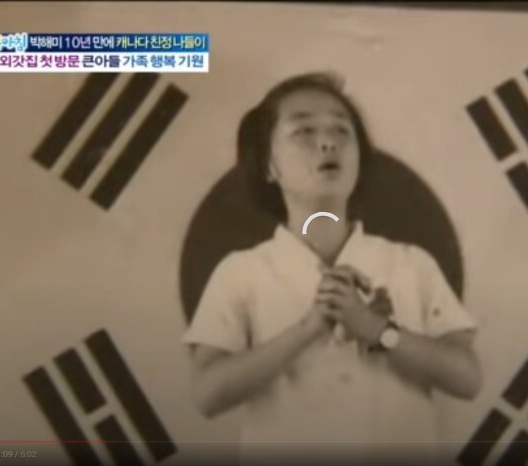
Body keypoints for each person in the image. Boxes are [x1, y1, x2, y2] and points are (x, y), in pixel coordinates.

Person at [182, 71, 482, 465]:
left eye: (341, 130)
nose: (328, 142)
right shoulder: (241, 272)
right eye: (303, 131)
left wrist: (380, 331)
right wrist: (309, 328)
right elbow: (207, 394)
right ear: (269, 165)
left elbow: (466, 377)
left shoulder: (411, 263)